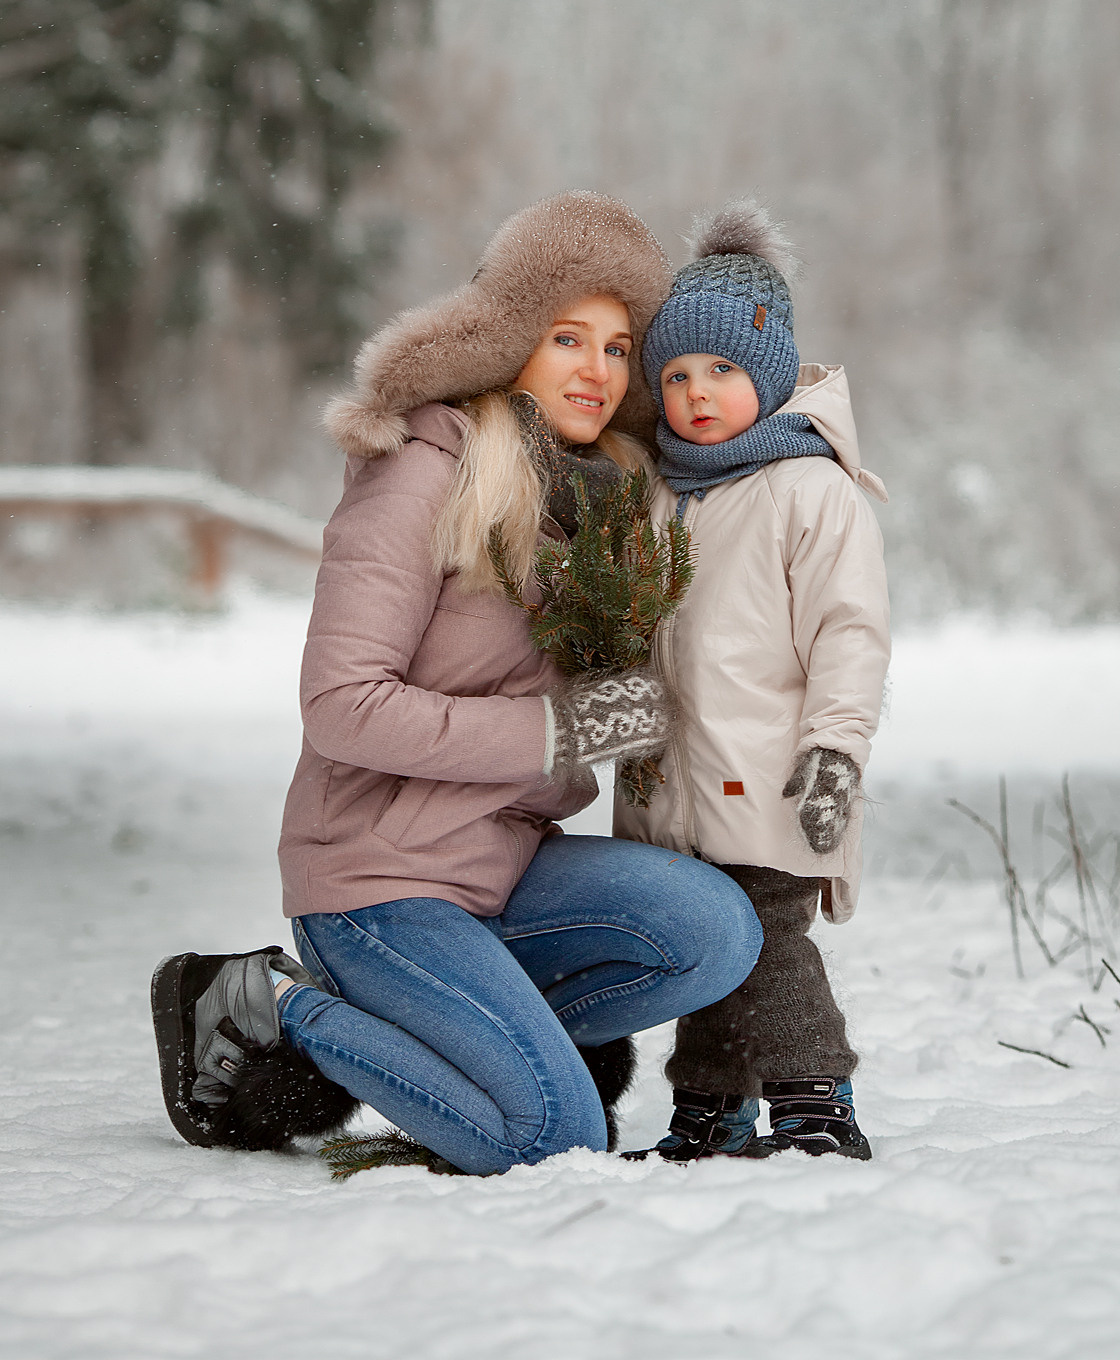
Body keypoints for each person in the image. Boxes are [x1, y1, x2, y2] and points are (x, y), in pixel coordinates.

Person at [152, 191, 763, 1176]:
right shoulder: (421, 473)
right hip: (376, 883)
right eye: (570, 337)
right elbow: (342, 706)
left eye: (617, 349)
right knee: (548, 1137)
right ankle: (273, 1003)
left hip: (504, 872)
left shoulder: (598, 509)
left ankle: (476, 1042)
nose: (595, 370)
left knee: (711, 932)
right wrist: (558, 733)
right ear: (515, 338)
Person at [615, 201, 891, 1163]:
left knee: (769, 947)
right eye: (677, 374)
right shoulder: (661, 490)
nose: (696, 393)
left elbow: (850, 634)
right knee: (708, 959)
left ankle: (817, 1105)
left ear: (767, 376)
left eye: (722, 371)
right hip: (676, 788)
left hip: (773, 780)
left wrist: (836, 754)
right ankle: (710, 1111)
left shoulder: (807, 489)